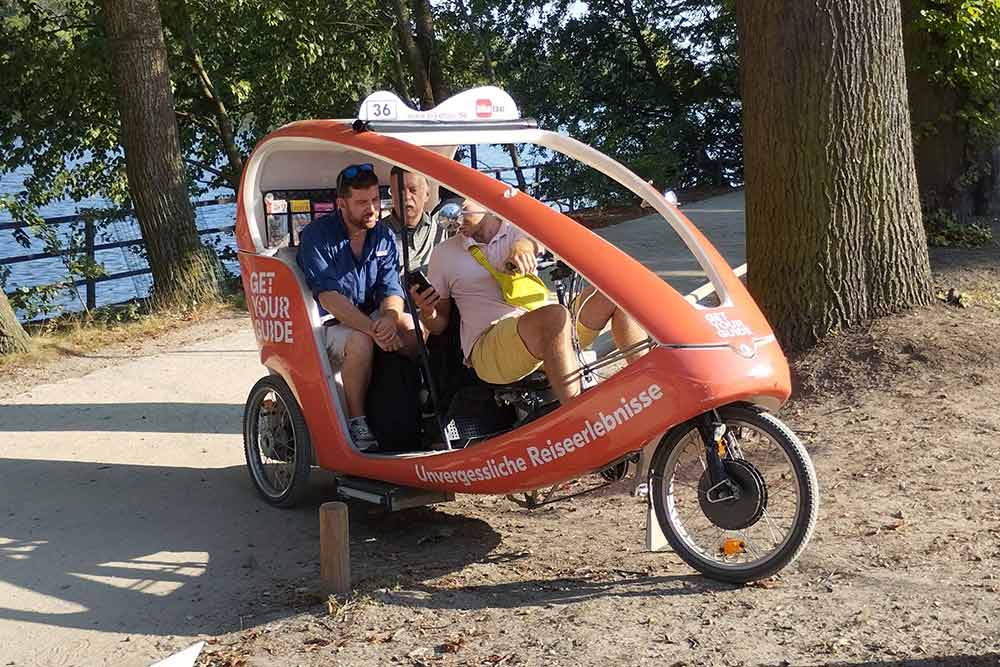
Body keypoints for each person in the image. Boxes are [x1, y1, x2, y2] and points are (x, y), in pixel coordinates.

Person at [411, 200, 647, 404]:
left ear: (482, 201)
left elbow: (534, 239)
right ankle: (580, 418)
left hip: (550, 331)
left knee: (616, 291)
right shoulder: (444, 253)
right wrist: (427, 311)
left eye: (461, 208)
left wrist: (524, 247)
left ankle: (647, 387)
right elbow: (438, 324)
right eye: (450, 213)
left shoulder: (516, 229)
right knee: (555, 316)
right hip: (491, 346)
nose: (456, 219)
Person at [297, 163, 418, 452]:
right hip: (330, 324)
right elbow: (329, 297)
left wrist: (390, 316)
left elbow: (391, 288)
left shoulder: (383, 235)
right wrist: (373, 329)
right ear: (341, 204)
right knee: (362, 340)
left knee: (412, 330)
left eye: (376, 200)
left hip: (372, 316)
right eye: (362, 202)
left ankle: (416, 404)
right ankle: (357, 421)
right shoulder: (317, 236)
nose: (372, 209)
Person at [384, 166, 448, 273]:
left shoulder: (442, 229)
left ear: (427, 194)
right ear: (392, 195)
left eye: (413, 190)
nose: (406, 196)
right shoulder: (378, 235)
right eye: (399, 190)